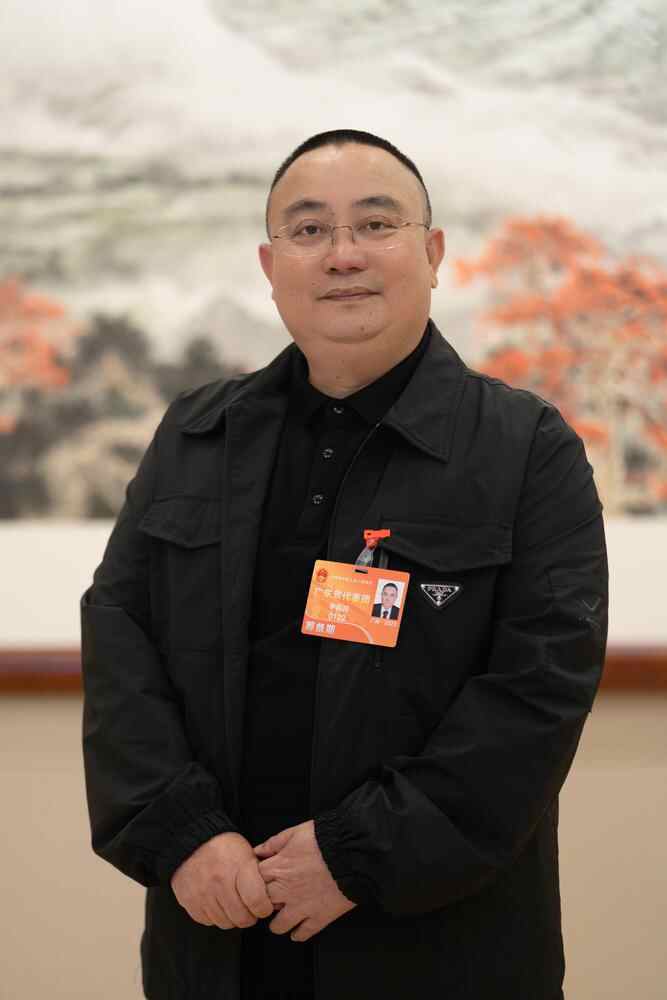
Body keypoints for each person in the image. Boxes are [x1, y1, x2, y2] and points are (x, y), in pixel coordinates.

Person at [80, 128, 608, 1000]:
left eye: (376, 223)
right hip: (218, 925)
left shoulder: (524, 448)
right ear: (270, 264)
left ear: (432, 253)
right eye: (308, 230)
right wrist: (181, 833)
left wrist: (356, 855)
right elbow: (120, 641)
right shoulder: (196, 434)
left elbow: (539, 687)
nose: (342, 255)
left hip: (434, 938)